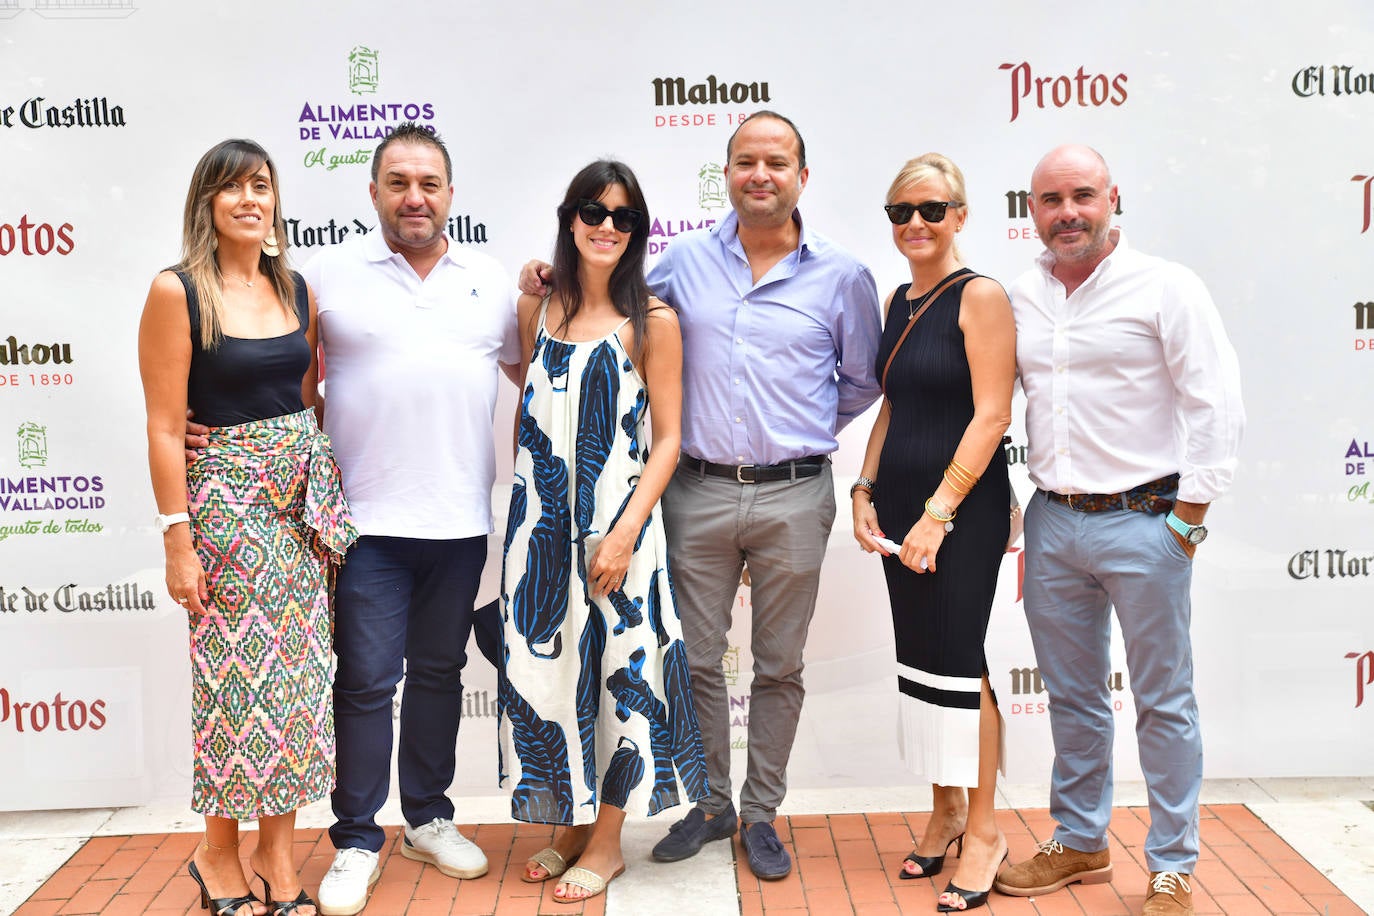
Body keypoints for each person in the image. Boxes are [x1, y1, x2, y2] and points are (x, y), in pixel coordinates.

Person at [521, 110, 882, 880]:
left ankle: (760, 815)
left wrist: (802, 430)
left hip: (795, 492)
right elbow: (605, 300)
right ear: (727, 173)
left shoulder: (843, 276)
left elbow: (860, 382)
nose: (761, 174)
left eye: (777, 162)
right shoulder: (682, 262)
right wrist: (541, 277)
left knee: (779, 666)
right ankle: (713, 802)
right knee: (693, 661)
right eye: (747, 161)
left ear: (802, 177)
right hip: (699, 491)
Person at [992, 145, 1244, 916]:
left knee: (1164, 701)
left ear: (1112, 200)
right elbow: (988, 406)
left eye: (1082, 195)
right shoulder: (1017, 296)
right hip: (1054, 520)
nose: (1067, 212)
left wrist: (1187, 525)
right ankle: (1080, 840)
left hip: (1147, 522)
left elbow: (1215, 404)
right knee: (1072, 698)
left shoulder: (1166, 286)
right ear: (1030, 210)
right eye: (1050, 199)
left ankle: (1171, 864)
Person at [140, 138, 357, 916]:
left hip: (299, 506)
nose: (248, 199)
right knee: (235, 682)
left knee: (299, 684)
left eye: (260, 185)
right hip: (224, 506)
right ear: (206, 203)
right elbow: (167, 427)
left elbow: (304, 396)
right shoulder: (177, 292)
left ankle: (279, 850)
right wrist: (177, 536)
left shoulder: (293, 288)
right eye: (231, 188)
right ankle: (217, 852)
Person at [499, 159, 708, 904]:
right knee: (551, 680)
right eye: (593, 211)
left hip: (619, 536)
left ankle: (610, 841)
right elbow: (540, 412)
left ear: (638, 232)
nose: (606, 227)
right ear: (569, 219)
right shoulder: (538, 311)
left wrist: (622, 534)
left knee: (621, 681)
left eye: (623, 218)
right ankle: (566, 824)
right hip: (540, 534)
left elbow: (668, 441)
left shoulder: (653, 322)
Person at [851, 154, 1015, 912]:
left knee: (959, 663)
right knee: (922, 664)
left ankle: (984, 831)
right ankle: (946, 809)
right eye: (900, 212)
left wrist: (937, 513)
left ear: (961, 215)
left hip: (960, 512)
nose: (914, 223)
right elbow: (891, 406)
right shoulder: (898, 300)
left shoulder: (978, 296)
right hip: (902, 508)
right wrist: (864, 489)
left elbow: (991, 415)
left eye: (931, 209)